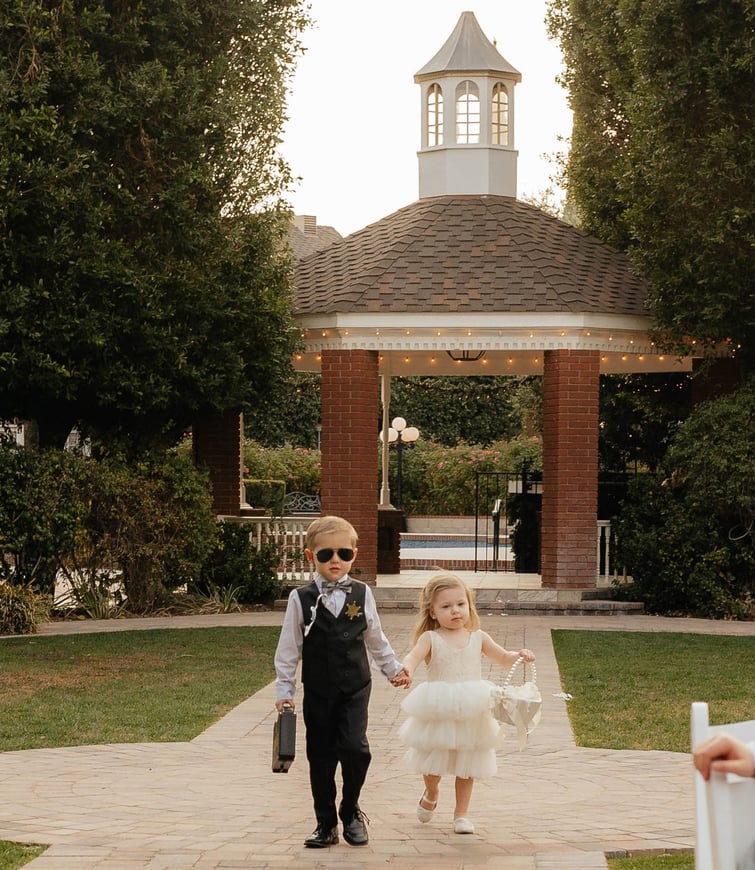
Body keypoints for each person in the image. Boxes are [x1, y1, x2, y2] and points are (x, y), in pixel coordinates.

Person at [274, 515, 409, 849]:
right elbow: (289, 648)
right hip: (318, 692)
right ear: (311, 557)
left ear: (354, 554)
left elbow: (375, 637)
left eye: (343, 554)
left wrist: (393, 669)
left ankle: (350, 811)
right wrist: (284, 689)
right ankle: (325, 823)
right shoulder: (300, 598)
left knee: (354, 749)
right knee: (320, 757)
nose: (335, 560)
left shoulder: (362, 594)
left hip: (355, 688)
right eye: (325, 554)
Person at [397, 572, 535, 835]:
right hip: (439, 706)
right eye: (446, 606)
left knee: (468, 761)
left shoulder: (478, 637)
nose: (455, 611)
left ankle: (461, 814)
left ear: (469, 606)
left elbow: (504, 658)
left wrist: (521, 655)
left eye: (461, 604)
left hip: (472, 706)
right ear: (433, 612)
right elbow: (413, 657)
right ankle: (432, 791)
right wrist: (407, 669)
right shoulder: (431, 638)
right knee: (433, 760)